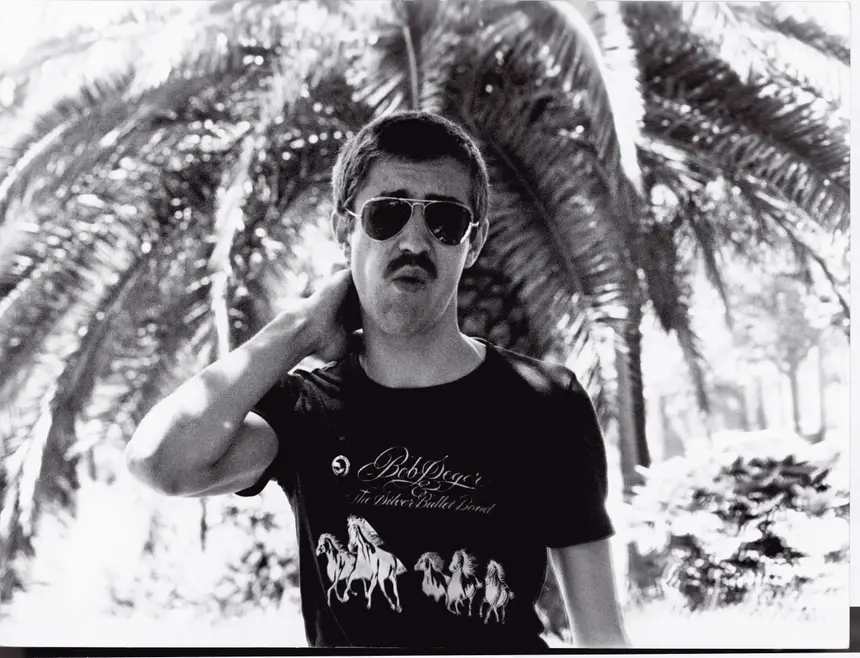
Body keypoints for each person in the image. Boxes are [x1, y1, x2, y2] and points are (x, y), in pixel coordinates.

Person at [126, 111, 629, 651]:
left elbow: (602, 638)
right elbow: (159, 462)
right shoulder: (305, 413)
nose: (414, 241)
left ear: (475, 241)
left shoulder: (546, 402)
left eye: (445, 220)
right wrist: (298, 329)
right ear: (346, 231)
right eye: (387, 214)